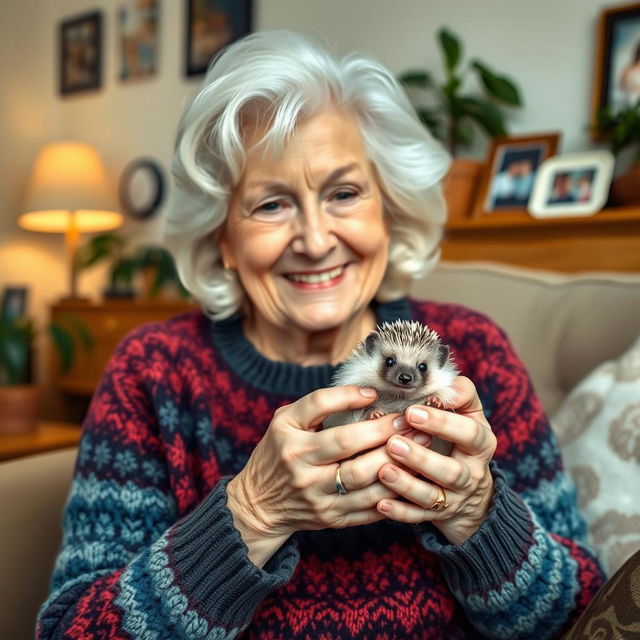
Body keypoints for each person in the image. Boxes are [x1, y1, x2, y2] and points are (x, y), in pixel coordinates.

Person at [36, 30, 606, 639]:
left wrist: (476, 514)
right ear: (220, 238)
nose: (313, 239)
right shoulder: (155, 373)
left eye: (343, 193)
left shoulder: (472, 354)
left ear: (389, 209)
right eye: (270, 205)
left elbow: (582, 617)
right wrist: (253, 513)